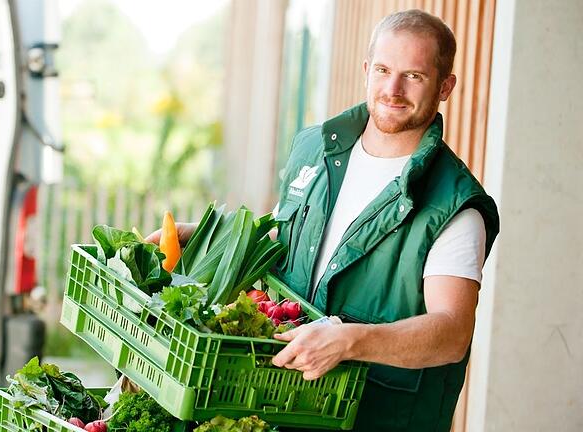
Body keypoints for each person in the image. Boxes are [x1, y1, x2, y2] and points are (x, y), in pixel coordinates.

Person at [147, 9, 499, 432]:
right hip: (280, 404)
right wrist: (206, 239)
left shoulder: (454, 205)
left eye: (414, 76)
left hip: (376, 419)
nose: (393, 88)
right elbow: (289, 235)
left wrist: (351, 341)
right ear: (367, 69)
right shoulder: (315, 148)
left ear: (445, 86)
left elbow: (451, 332)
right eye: (384, 70)